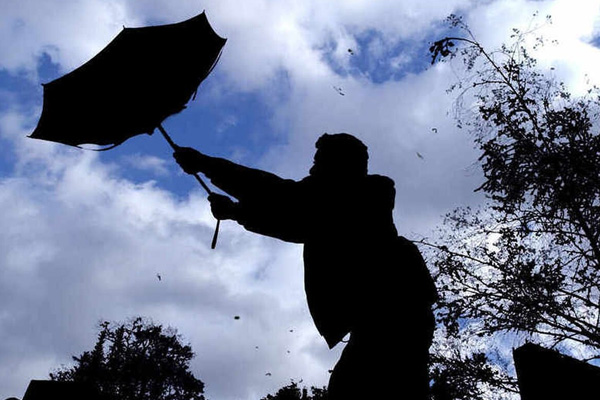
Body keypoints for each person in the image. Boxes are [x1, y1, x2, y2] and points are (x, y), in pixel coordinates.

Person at [174, 133, 437, 399]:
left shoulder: (364, 194)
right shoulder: (346, 202)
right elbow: (296, 221)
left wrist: (208, 166)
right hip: (389, 318)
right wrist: (236, 212)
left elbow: (286, 200)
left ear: (341, 164)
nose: (312, 168)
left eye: (319, 161)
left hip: (392, 317)